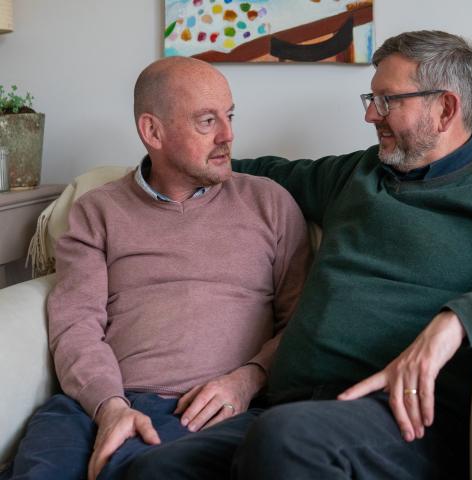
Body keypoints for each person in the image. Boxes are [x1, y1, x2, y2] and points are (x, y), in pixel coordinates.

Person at [126, 30, 472, 479]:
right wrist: (162, 162)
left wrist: (458, 322)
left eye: (387, 100)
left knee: (285, 442)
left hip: (402, 422)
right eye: (371, 98)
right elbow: (255, 175)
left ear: (445, 109)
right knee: (153, 469)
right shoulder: (358, 175)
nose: (369, 115)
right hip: (287, 409)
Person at [0, 57, 310, 480]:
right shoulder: (98, 211)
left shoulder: (269, 203)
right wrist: (109, 406)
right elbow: (76, 322)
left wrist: (250, 378)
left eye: (230, 115)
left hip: (213, 411)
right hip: (97, 404)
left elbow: (303, 323)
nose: (228, 135)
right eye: (207, 121)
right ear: (153, 131)